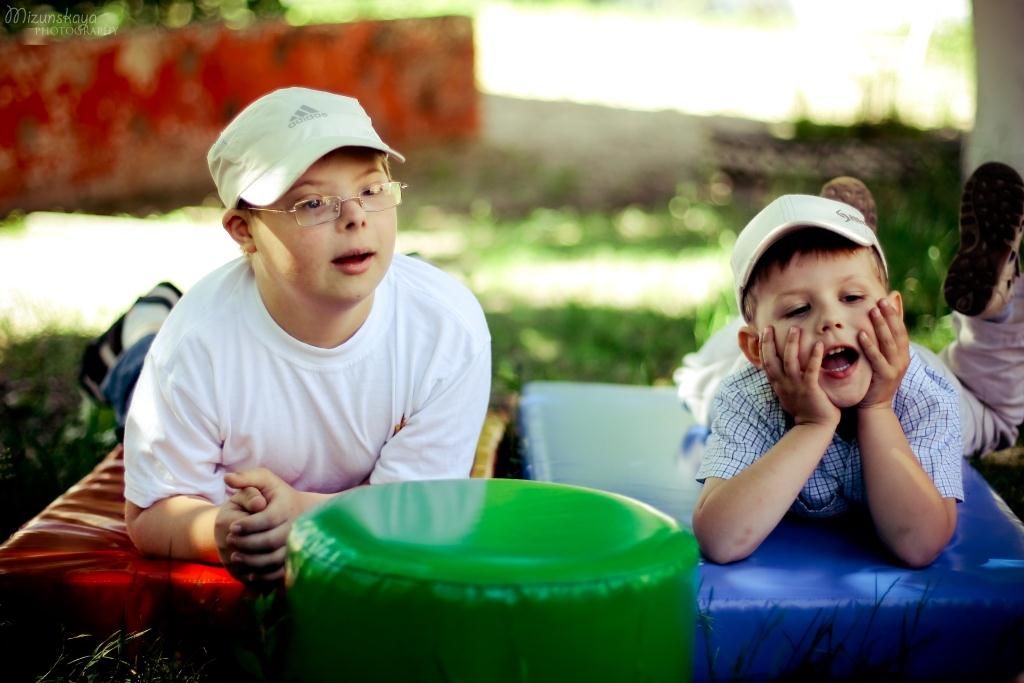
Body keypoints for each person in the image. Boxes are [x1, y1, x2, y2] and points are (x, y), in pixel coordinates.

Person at [85, 87, 491, 583]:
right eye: (313, 203)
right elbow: (152, 513)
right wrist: (216, 530)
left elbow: (418, 509)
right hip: (200, 367)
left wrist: (301, 512)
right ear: (244, 231)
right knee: (140, 376)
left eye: (371, 189)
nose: (355, 216)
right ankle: (139, 333)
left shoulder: (446, 330)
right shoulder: (194, 347)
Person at [682, 162, 1024, 567]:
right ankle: (849, 255)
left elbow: (920, 545)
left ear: (892, 313)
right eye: (798, 308)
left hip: (905, 370)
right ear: (757, 349)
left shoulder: (926, 394)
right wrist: (813, 425)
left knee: (992, 413)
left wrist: (877, 408)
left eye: (851, 298)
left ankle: (994, 309)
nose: (830, 319)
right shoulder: (746, 395)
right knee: (698, 383)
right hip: (769, 366)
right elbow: (720, 541)